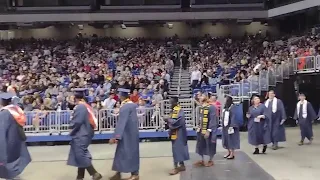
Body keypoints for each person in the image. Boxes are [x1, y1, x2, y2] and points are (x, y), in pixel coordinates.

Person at [67, 88, 102, 180]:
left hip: (82, 133)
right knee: (79, 154)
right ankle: (80, 176)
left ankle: (94, 173)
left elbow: (77, 121)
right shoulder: (85, 106)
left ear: (76, 98)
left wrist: (71, 129)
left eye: (72, 97)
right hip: (84, 132)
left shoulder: (81, 106)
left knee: (81, 154)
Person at [109, 88, 140, 180]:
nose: (118, 95)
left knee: (129, 153)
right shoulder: (131, 105)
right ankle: (118, 173)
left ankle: (135, 174)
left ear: (122, 96)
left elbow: (121, 122)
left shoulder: (126, 107)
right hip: (131, 132)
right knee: (121, 153)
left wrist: (116, 136)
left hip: (127, 134)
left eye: (119, 94)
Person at [0, 93, 31, 180]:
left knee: (9, 170)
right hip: (16, 142)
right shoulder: (16, 110)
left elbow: (1, 132)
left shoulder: (4, 114)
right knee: (13, 169)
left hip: (7, 144)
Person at [164, 97, 189, 175]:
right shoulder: (174, 111)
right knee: (177, 149)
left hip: (179, 133)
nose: (170, 104)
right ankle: (182, 165)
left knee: (177, 150)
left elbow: (179, 122)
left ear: (175, 102)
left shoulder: (179, 111)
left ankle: (176, 167)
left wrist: (168, 119)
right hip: (175, 133)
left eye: (171, 102)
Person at [194, 94, 218, 167]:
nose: (200, 97)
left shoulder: (212, 107)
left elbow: (213, 119)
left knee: (209, 145)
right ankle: (202, 160)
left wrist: (209, 130)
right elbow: (200, 118)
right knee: (201, 145)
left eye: (202, 96)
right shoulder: (200, 108)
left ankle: (210, 160)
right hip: (201, 129)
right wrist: (198, 126)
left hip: (208, 129)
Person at [221, 96, 240, 160]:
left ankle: (232, 154)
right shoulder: (225, 107)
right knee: (226, 139)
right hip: (225, 126)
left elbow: (234, 117)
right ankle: (228, 152)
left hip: (230, 126)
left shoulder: (233, 107)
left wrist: (232, 125)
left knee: (231, 139)